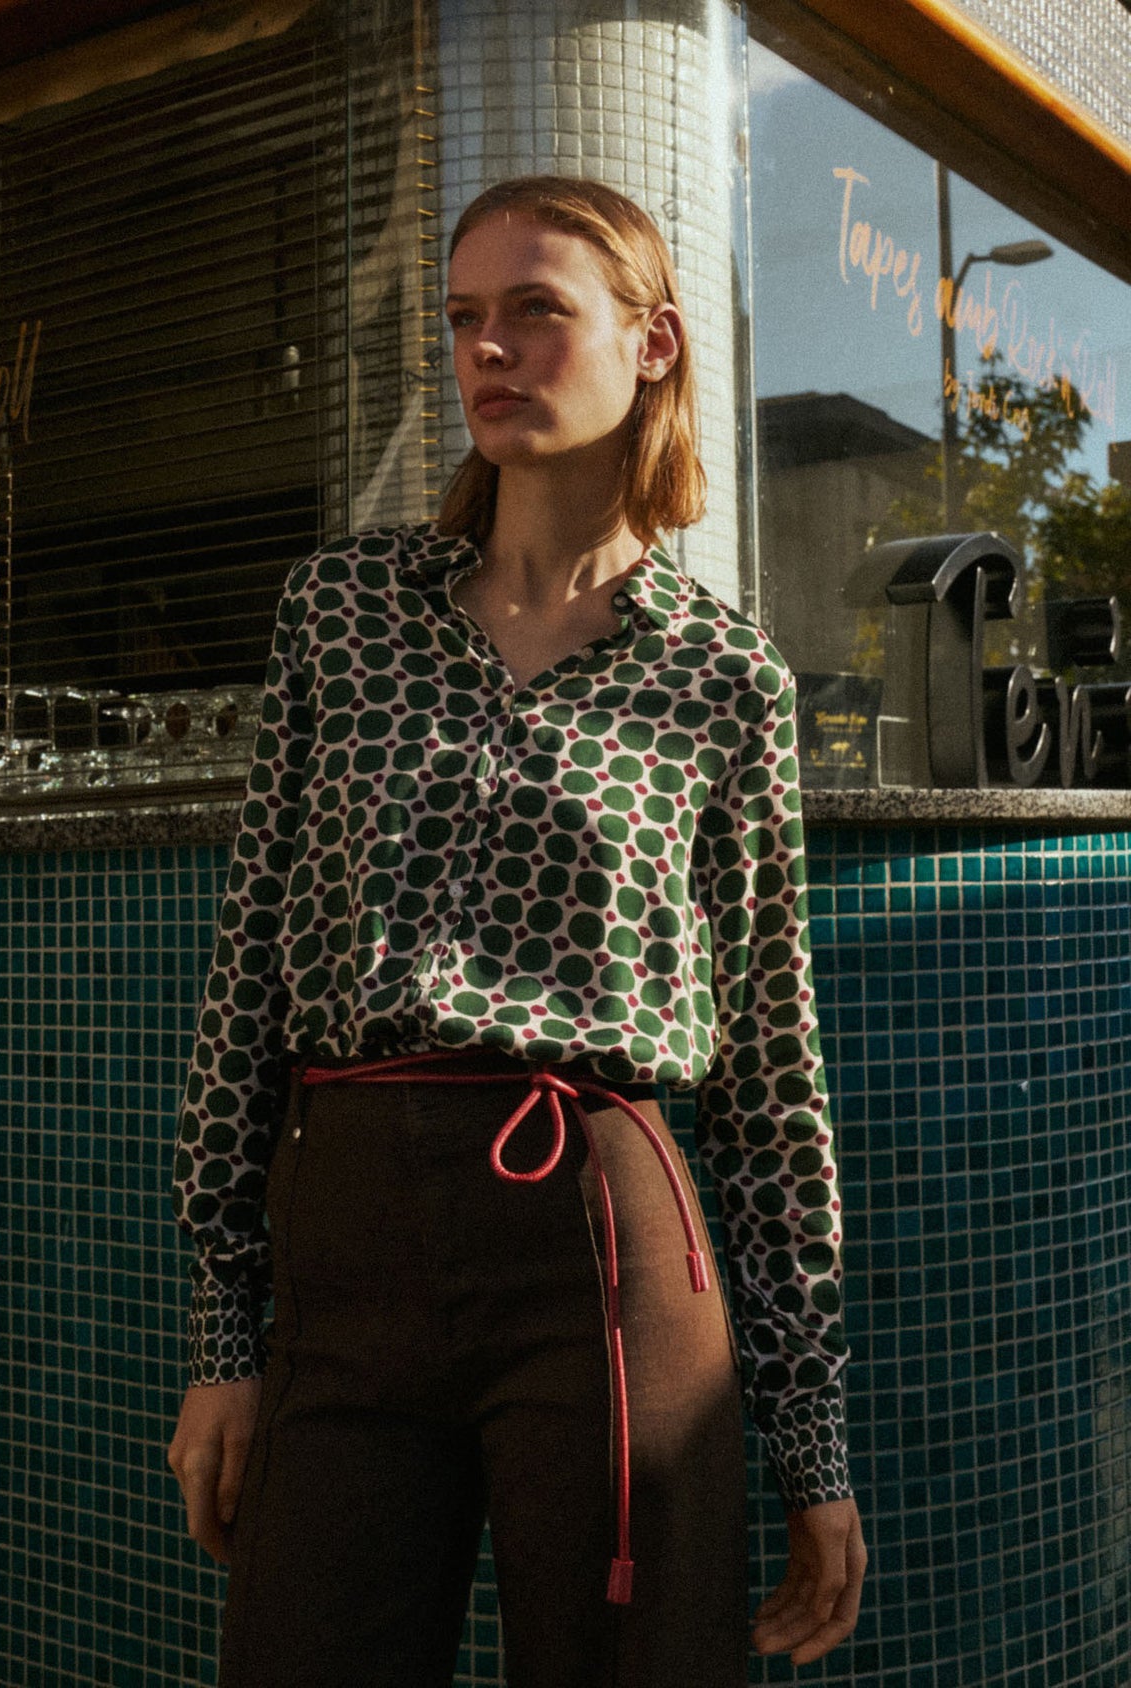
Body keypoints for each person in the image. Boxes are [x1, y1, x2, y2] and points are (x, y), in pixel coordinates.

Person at [168, 174, 866, 1688]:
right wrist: (228, 1340)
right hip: (348, 1233)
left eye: (536, 311)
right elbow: (247, 981)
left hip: (608, 1251)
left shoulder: (720, 673)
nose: (487, 350)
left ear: (654, 341)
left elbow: (771, 1075)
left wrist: (812, 1447)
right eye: (464, 319)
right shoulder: (341, 611)